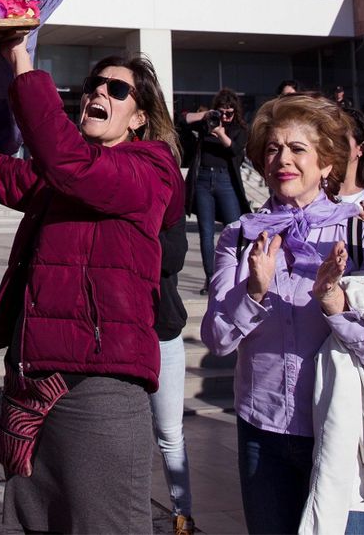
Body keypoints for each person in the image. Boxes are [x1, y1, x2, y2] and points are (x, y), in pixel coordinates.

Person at [0, 44, 179, 533]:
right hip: (33, 381)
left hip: (99, 385)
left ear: (139, 117)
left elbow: (69, 163)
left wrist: (22, 63)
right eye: (92, 87)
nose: (98, 92)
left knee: (107, 525)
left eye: (116, 90)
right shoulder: (63, 174)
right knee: (33, 523)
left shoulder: (151, 169)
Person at [205, 93, 364, 534]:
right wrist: (254, 290)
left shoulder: (361, 237)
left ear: (327, 163)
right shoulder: (239, 236)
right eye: (272, 148)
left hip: (341, 430)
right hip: (263, 431)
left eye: (297, 149)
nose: (282, 160)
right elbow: (216, 340)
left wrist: (335, 305)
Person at [151, 149, 196, 535]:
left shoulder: (167, 196)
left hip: (162, 329)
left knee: (169, 433)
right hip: (117, 333)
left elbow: (173, 256)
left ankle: (182, 516)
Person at [184, 89, 250, 289]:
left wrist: (221, 133)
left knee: (234, 229)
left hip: (226, 181)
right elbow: (182, 120)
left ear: (235, 112)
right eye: (222, 112)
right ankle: (211, 278)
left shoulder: (239, 129)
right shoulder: (207, 124)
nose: (225, 117)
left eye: (229, 113)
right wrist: (206, 116)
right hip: (203, 179)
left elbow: (234, 149)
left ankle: (235, 273)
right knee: (206, 231)